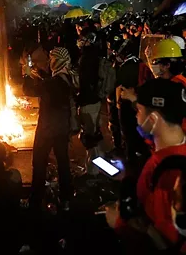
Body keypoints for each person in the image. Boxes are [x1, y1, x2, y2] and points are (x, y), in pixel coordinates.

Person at [106, 79, 186, 253]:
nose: (136, 116)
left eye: (139, 110)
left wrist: (118, 223)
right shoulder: (170, 152)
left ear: (154, 119)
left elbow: (163, 242)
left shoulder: (169, 175)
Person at [24, 47, 74, 211]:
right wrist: (39, 74)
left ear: (58, 61)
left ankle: (35, 200)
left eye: (52, 59)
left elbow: (30, 90)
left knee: (39, 163)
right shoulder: (66, 78)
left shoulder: (54, 83)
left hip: (47, 129)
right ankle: (66, 197)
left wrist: (26, 75)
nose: (49, 62)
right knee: (63, 162)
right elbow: (50, 84)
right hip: (61, 128)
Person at [77, 28, 104, 175]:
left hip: (89, 100)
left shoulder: (88, 58)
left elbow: (85, 81)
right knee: (94, 134)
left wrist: (79, 99)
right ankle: (97, 167)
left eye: (82, 38)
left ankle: (94, 171)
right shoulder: (94, 54)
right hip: (95, 99)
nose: (79, 41)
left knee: (90, 137)